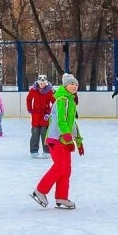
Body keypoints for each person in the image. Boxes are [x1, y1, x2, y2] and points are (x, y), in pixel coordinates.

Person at [31, 73, 83, 210]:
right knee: (60, 166)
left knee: (66, 170)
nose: (74, 86)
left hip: (64, 140)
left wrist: (78, 141)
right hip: (56, 139)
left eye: (76, 84)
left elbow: (72, 124)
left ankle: (61, 197)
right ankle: (40, 190)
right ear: (65, 85)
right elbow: (61, 121)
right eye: (71, 84)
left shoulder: (70, 100)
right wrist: (67, 137)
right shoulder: (62, 100)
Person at [26, 75, 55, 158]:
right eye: (41, 83)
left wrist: (49, 113)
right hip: (35, 116)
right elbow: (28, 99)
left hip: (45, 116)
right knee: (35, 133)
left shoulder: (49, 91)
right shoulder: (33, 90)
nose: (42, 85)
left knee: (44, 134)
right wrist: (30, 109)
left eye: (44, 83)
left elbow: (54, 102)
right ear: (38, 83)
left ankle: (47, 151)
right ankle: (33, 150)